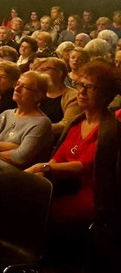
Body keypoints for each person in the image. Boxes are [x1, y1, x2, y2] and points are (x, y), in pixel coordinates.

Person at [25, 61, 121, 225]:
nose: (82, 92)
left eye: (90, 87)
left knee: (38, 209)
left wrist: (44, 168)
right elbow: (59, 155)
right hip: (64, 184)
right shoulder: (77, 123)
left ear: (105, 95)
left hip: (90, 193)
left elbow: (85, 166)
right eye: (80, 85)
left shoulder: (110, 129)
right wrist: (44, 173)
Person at [0, 71, 52, 170]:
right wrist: (13, 146)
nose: (17, 89)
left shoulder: (41, 123)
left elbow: (20, 158)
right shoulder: (6, 114)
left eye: (25, 87)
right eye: (17, 84)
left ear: (38, 96)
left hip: (12, 175)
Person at [32, 57, 80, 137]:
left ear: (60, 72)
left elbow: (66, 125)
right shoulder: (36, 93)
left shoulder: (73, 96)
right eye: (37, 70)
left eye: (45, 69)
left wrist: (33, 129)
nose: (39, 73)